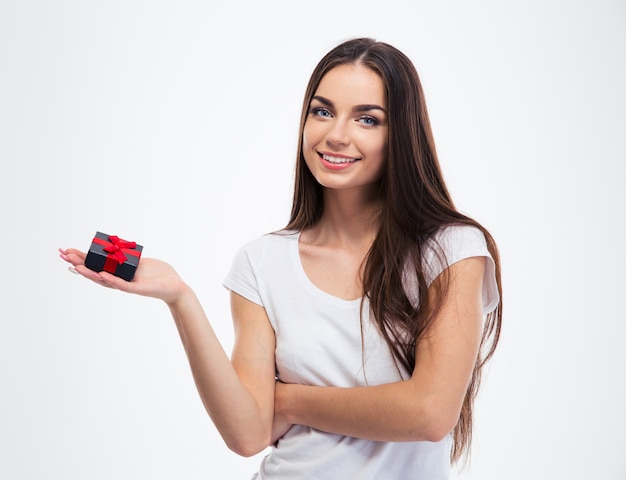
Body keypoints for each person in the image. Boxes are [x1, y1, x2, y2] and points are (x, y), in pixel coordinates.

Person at [59, 37, 502, 479]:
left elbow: (429, 414)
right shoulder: (261, 263)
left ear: (401, 135)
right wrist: (180, 298)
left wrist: (289, 400)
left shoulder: (451, 250)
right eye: (322, 111)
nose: (336, 135)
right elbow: (249, 435)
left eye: (367, 119)